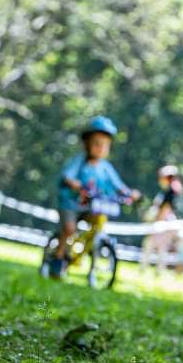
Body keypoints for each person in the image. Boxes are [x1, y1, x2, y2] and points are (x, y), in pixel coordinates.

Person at [49, 116, 140, 279]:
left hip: (91, 206)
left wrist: (130, 193)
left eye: (105, 145)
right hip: (70, 203)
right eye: (97, 143)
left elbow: (118, 185)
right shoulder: (80, 161)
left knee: (98, 223)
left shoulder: (106, 167)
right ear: (87, 144)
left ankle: (84, 251)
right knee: (69, 229)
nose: (101, 148)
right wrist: (74, 183)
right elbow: (67, 176)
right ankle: (58, 257)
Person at [142, 165, 183, 272]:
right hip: (168, 223)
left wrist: (156, 221)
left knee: (152, 245)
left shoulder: (170, 192)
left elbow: (165, 210)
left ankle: (150, 269)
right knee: (160, 247)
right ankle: (158, 270)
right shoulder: (171, 191)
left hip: (165, 223)